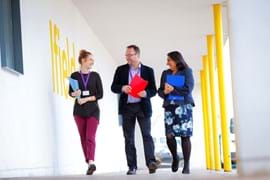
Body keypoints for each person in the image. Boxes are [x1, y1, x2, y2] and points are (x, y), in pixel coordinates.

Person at [111, 45, 158, 175]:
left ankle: (151, 163)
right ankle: (132, 166)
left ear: (137, 55)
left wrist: (146, 93)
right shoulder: (120, 70)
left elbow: (153, 90)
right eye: (126, 55)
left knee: (147, 135)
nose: (127, 57)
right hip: (127, 108)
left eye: (130, 55)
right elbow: (113, 87)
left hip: (142, 107)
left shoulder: (148, 70)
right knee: (128, 138)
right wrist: (122, 88)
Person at [158, 51, 195, 174]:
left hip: (184, 107)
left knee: (185, 136)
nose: (167, 63)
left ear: (176, 60)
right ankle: (175, 157)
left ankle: (187, 165)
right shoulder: (165, 73)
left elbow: (188, 89)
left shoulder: (187, 71)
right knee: (169, 136)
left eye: (169, 60)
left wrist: (173, 88)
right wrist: (166, 92)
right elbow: (160, 91)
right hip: (170, 108)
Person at [69, 49, 103, 175]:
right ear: (83, 60)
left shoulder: (95, 76)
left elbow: (100, 94)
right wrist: (75, 93)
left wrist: (86, 99)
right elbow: (70, 93)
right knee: (83, 137)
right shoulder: (74, 76)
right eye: (90, 60)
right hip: (79, 111)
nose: (92, 62)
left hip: (93, 110)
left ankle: (92, 161)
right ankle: (89, 162)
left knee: (90, 136)